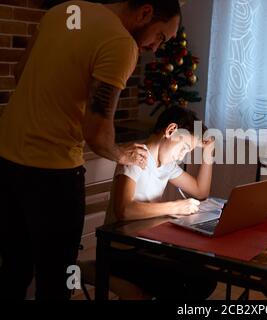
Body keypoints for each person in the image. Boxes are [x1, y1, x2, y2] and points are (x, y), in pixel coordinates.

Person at [0, 0, 181, 300]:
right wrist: (123, 154)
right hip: (53, 174)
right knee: (56, 280)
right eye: (161, 37)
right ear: (146, 12)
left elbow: (20, 72)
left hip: (6, 162)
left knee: (13, 268)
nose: (156, 48)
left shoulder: (64, 10)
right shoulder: (122, 44)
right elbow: (97, 134)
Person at [104, 106, 217, 300]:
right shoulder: (136, 155)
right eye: (183, 148)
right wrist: (176, 207)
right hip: (121, 251)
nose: (182, 156)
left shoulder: (167, 166)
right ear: (171, 130)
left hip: (149, 247)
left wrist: (208, 152)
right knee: (185, 285)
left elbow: (201, 190)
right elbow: (124, 210)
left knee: (205, 278)